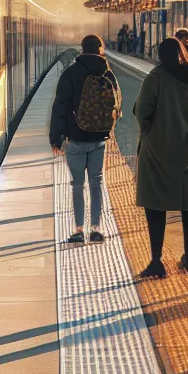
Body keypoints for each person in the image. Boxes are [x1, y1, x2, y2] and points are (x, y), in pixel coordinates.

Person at [134, 36, 188, 278]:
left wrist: (150, 129)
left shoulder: (155, 78)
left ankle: (156, 261)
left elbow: (142, 112)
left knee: (156, 207)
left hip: (157, 151)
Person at [49, 34, 120, 244]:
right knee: (96, 183)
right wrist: (108, 128)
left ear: (82, 49)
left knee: (77, 185)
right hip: (99, 139)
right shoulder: (108, 72)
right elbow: (118, 103)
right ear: (100, 49)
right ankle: (96, 229)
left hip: (76, 139)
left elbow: (60, 105)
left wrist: (55, 137)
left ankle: (79, 230)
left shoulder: (71, 73)